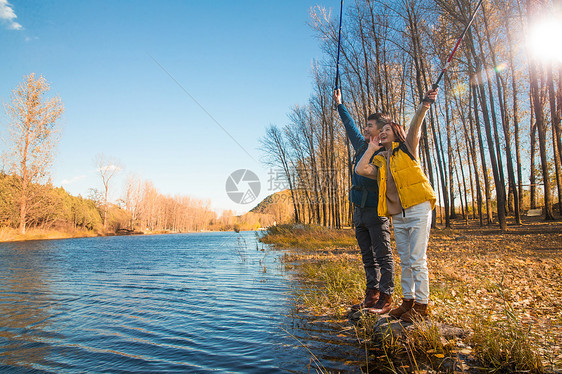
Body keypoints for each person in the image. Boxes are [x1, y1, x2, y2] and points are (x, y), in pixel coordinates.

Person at [355, 89, 438, 322]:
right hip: (398, 215)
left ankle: (422, 306)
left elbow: (414, 127)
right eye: (380, 131)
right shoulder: (381, 161)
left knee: (417, 259)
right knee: (404, 258)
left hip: (418, 208)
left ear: (397, 134)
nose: (382, 133)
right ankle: (408, 301)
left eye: (386, 130)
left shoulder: (408, 149)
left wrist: (424, 106)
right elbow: (361, 169)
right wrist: (371, 148)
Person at [334, 89, 394, 314]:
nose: (365, 128)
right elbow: (349, 126)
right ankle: (372, 295)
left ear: (381, 129)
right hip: (358, 211)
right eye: (366, 126)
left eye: (370, 126)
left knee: (383, 255)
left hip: (376, 212)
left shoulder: (387, 152)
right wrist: (340, 105)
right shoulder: (361, 146)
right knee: (367, 257)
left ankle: (386, 299)